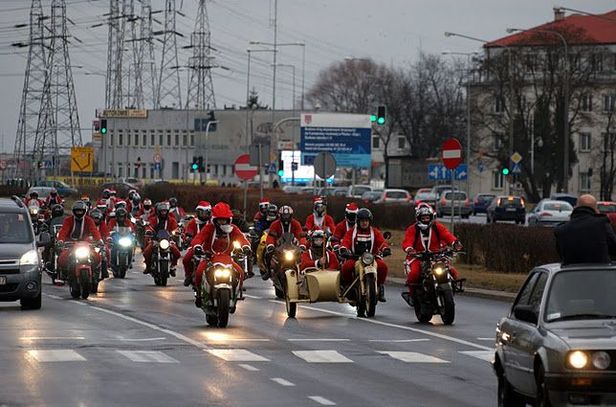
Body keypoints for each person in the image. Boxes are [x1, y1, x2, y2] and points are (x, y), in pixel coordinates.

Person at [185, 203, 251, 302]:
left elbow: (241, 238)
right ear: (215, 220)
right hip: (209, 258)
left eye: (224, 220)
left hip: (227, 259)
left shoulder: (233, 229)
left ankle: (236, 293)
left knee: (240, 272)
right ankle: (199, 293)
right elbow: (199, 238)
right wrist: (197, 246)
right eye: (219, 220)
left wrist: (246, 247)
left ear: (229, 220)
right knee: (199, 272)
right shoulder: (209, 228)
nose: (222, 222)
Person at [401, 204, 462, 296]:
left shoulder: (437, 227)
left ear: (431, 217)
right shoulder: (412, 229)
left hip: (436, 256)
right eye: (423, 218)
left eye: (427, 217)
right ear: (418, 218)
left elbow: (447, 235)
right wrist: (410, 249)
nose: (426, 220)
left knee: (451, 271)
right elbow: (407, 241)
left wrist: (455, 243)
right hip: (418, 257)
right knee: (414, 274)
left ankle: (452, 287)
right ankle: (413, 294)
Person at [340, 208, 390, 302]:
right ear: (358, 221)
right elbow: (345, 242)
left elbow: (381, 242)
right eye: (362, 221)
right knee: (346, 267)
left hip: (371, 258)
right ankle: (348, 286)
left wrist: (385, 249)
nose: (364, 223)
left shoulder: (375, 231)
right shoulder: (352, 232)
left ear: (370, 221)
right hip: (355, 257)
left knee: (383, 267)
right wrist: (344, 249)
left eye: (366, 221)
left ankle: (380, 286)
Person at [554, 194, 616, 264]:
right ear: (596, 210)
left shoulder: (562, 229)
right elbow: (614, 248)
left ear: (575, 208)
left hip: (571, 272)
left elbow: (561, 254)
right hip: (599, 271)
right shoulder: (602, 224)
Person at [56, 201, 102, 281]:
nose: (79, 213)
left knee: (97, 256)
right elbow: (64, 231)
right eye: (77, 211)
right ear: (74, 211)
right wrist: (60, 240)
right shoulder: (68, 220)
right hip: (71, 243)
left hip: (85, 243)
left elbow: (94, 230)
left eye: (81, 211)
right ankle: (65, 273)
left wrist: (99, 240)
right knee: (62, 258)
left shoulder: (89, 220)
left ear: (84, 211)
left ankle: (95, 273)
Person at [264, 205, 306, 279]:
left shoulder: (296, 224)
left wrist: (302, 245)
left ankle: (302, 272)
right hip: (279, 246)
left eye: (287, 215)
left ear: (291, 215)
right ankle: (268, 271)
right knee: (268, 254)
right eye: (284, 215)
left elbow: (300, 235)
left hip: (293, 246)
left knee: (303, 256)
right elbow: (270, 236)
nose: (286, 217)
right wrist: (270, 245)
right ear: (280, 215)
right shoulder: (275, 224)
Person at [142, 202, 181, 276]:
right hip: (156, 240)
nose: (163, 213)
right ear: (158, 212)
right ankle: (148, 266)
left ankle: (173, 266)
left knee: (177, 253)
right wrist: (149, 231)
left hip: (168, 240)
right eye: (162, 211)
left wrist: (176, 232)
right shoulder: (153, 219)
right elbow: (149, 226)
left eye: (165, 211)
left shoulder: (172, 220)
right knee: (146, 252)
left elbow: (175, 228)